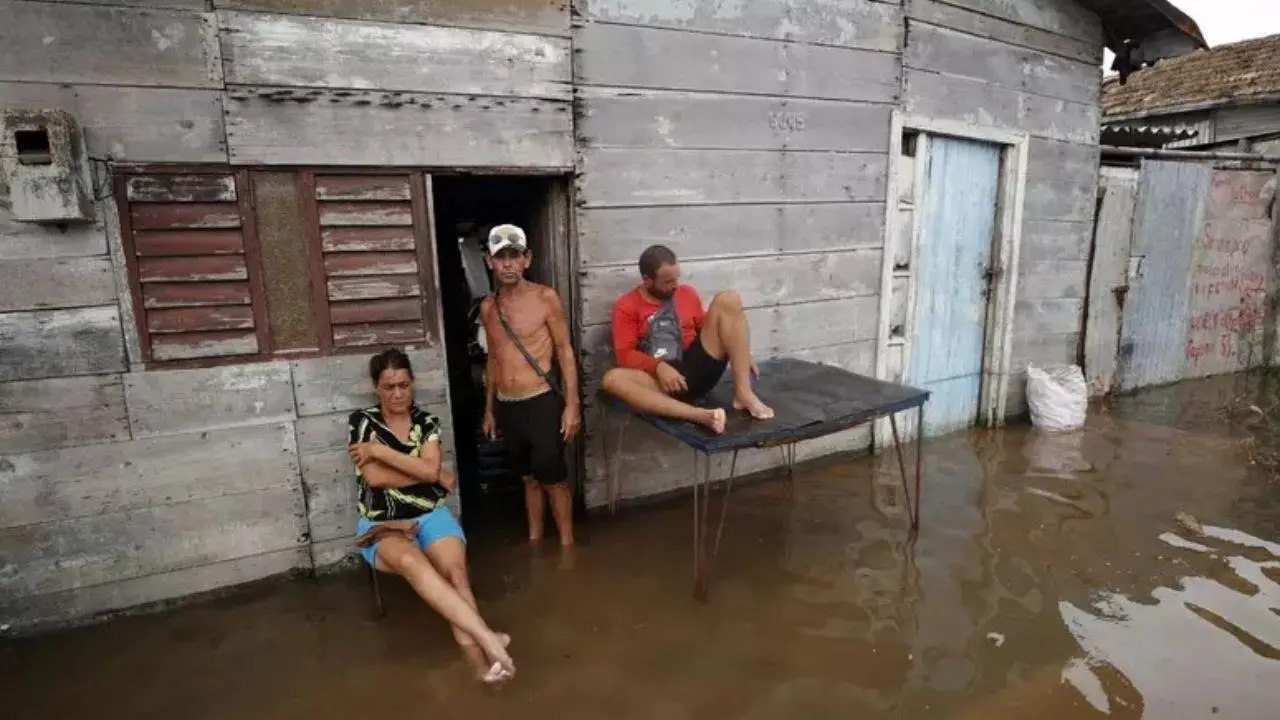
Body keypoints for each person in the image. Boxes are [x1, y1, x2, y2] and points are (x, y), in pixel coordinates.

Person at [348, 348, 515, 684]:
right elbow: (375, 479)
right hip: (383, 522)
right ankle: (486, 643)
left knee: (456, 574)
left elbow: (424, 469)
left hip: (430, 513)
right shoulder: (362, 421)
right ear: (375, 388)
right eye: (389, 387)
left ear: (413, 383)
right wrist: (432, 475)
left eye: (404, 385)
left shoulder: (427, 422)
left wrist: (380, 451)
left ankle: (482, 665)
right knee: (414, 564)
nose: (397, 393)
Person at [478, 224, 581, 546]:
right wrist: (489, 410)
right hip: (508, 405)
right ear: (488, 261)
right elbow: (493, 358)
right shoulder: (488, 307)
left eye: (514, 256)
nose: (508, 264)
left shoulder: (545, 298)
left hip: (541, 401)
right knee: (527, 478)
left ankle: (567, 546)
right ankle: (535, 540)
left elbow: (565, 351)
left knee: (553, 477)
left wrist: (572, 405)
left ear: (527, 259)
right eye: (500, 257)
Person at [602, 244, 774, 434]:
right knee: (612, 379)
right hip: (660, 383)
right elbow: (624, 355)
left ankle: (744, 394)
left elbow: (710, 328)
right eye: (668, 281)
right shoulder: (626, 306)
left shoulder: (686, 293)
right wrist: (658, 367)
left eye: (677, 277)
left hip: (696, 368)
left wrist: (742, 353)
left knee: (729, 299)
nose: (675, 285)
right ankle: (700, 416)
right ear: (647, 280)